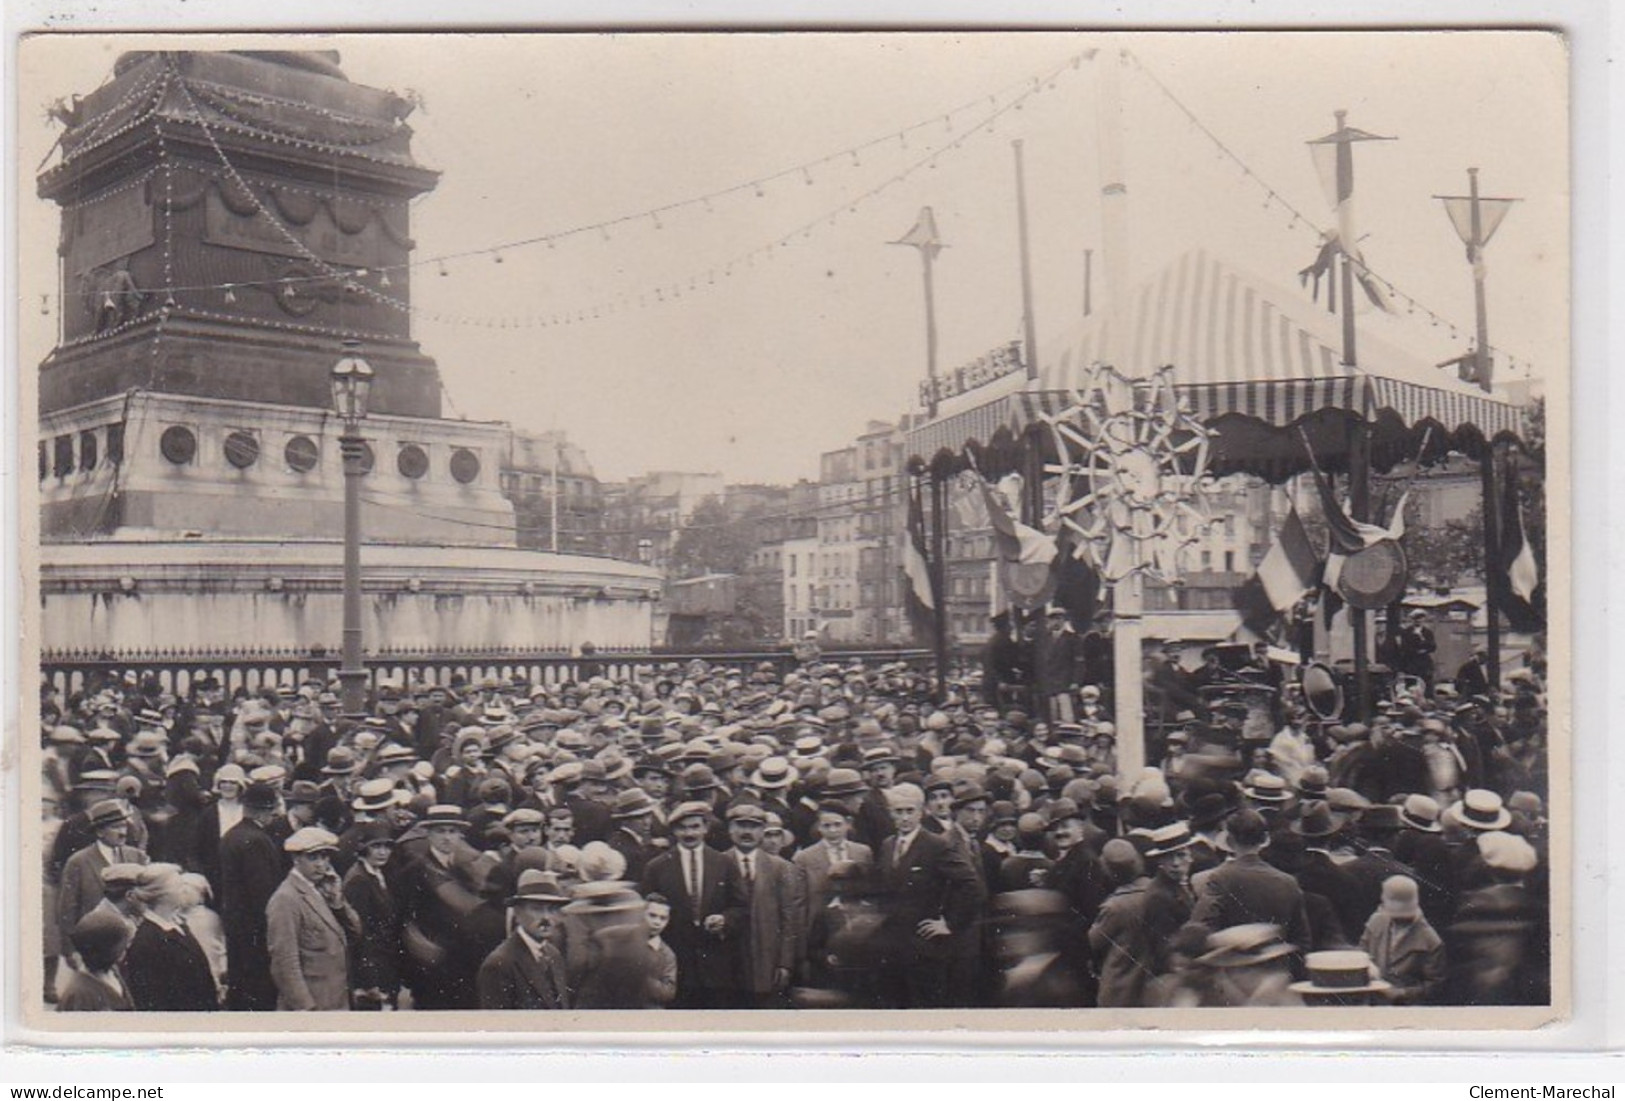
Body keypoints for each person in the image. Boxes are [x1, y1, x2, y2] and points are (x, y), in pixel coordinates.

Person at [873, 783, 982, 1008]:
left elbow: (971, 885)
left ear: (922, 812)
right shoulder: (887, 845)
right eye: (898, 811)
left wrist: (950, 923)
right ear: (890, 813)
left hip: (925, 947)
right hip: (893, 945)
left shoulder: (936, 845)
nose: (904, 818)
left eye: (910, 811)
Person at [638, 800, 745, 1008]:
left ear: (705, 828)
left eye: (695, 827)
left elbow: (741, 906)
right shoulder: (657, 867)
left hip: (717, 965)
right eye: (682, 828)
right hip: (676, 965)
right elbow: (645, 913)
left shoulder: (724, 863)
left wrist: (725, 919)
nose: (689, 833)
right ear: (674, 831)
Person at [1191, 809, 1312, 957]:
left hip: (1233, 968)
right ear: (1265, 839)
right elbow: (1302, 940)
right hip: (1276, 969)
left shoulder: (1220, 878)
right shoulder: (1288, 882)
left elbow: (1200, 927)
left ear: (1229, 840)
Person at [722, 801, 807, 1008]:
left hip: (767, 960)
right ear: (730, 830)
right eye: (740, 826)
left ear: (762, 831)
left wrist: (785, 963)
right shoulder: (718, 863)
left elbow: (790, 919)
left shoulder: (781, 868)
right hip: (728, 962)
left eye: (753, 826)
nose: (746, 832)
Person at [266, 827, 359, 1011]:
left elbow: (355, 932)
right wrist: (307, 1008)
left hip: (337, 999)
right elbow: (284, 963)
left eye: (325, 857)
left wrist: (338, 902)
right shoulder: (286, 898)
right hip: (313, 1005)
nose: (321, 864)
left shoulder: (322, 889)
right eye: (313, 857)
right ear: (296, 859)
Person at [217, 780, 283, 1011]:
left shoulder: (231, 835)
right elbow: (262, 891)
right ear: (266, 811)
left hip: (235, 922)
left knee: (240, 981)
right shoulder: (257, 840)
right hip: (254, 926)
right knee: (258, 986)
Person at [56, 799, 148, 964]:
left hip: (133, 944)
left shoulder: (136, 856)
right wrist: (70, 951)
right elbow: (67, 911)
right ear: (99, 832)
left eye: (124, 826)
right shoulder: (79, 862)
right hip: (96, 946)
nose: (122, 832)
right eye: (115, 827)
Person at [122, 864, 220, 1011]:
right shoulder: (147, 942)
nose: (186, 890)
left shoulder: (178, 924)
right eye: (180, 886)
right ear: (163, 894)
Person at [476, 869, 571, 1010]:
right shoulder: (499, 964)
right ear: (518, 913)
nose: (546, 918)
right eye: (537, 909)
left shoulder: (553, 954)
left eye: (552, 910)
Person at [342, 821, 404, 1010]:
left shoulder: (377, 873)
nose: (383, 852)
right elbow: (359, 932)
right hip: (373, 967)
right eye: (376, 846)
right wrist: (369, 979)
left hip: (384, 960)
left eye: (387, 847)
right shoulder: (359, 880)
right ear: (363, 849)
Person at [1358, 875, 1446, 1005]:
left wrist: (1401, 993)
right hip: (1372, 1003)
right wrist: (1368, 965)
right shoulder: (1376, 922)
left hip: (1407, 1010)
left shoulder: (1430, 940)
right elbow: (1361, 952)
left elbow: (1435, 986)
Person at [58, 909, 134, 1012]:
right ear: (107, 952)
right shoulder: (79, 996)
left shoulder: (113, 971)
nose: (126, 949)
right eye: (122, 947)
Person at [643, 892, 679, 1007]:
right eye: (652, 915)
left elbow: (668, 992)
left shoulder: (667, 955)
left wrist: (640, 978)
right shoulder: (625, 943)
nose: (657, 922)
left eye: (663, 918)